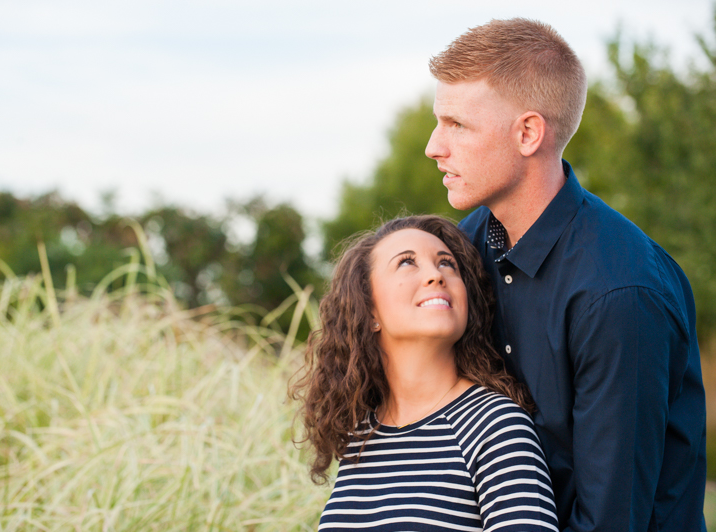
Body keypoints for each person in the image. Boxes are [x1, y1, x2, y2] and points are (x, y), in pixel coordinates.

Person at [425, 18, 707, 532]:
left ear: (528, 133)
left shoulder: (619, 292)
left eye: (457, 125)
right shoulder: (462, 250)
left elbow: (611, 520)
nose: (434, 147)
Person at [292, 215, 559, 531]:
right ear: (370, 309)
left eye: (447, 264)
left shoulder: (495, 426)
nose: (436, 275)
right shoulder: (362, 435)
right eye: (407, 263)